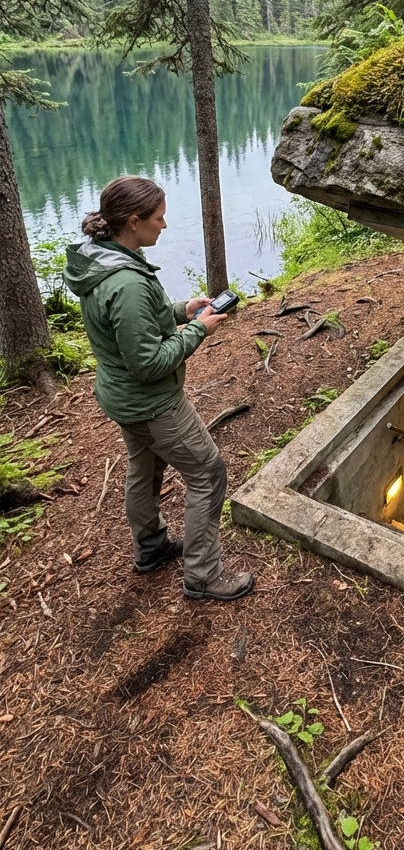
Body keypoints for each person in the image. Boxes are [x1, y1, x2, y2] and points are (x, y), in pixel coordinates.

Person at [63, 175, 254, 602]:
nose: (163, 226)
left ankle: (150, 548)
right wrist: (197, 331)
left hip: (122, 398)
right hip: (153, 402)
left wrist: (181, 311)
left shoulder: (101, 260)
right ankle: (203, 575)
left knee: (144, 468)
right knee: (207, 473)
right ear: (133, 222)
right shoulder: (127, 283)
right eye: (158, 218)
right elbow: (148, 363)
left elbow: (133, 325)